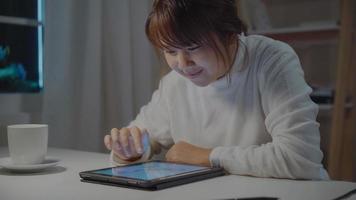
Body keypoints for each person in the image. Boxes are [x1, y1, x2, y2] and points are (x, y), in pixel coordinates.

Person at [104, 0, 329, 180]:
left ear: (230, 36)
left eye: (192, 48)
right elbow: (143, 136)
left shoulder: (271, 60)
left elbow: (301, 160)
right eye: (170, 51)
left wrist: (207, 156)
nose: (182, 64)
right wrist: (129, 149)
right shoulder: (175, 83)